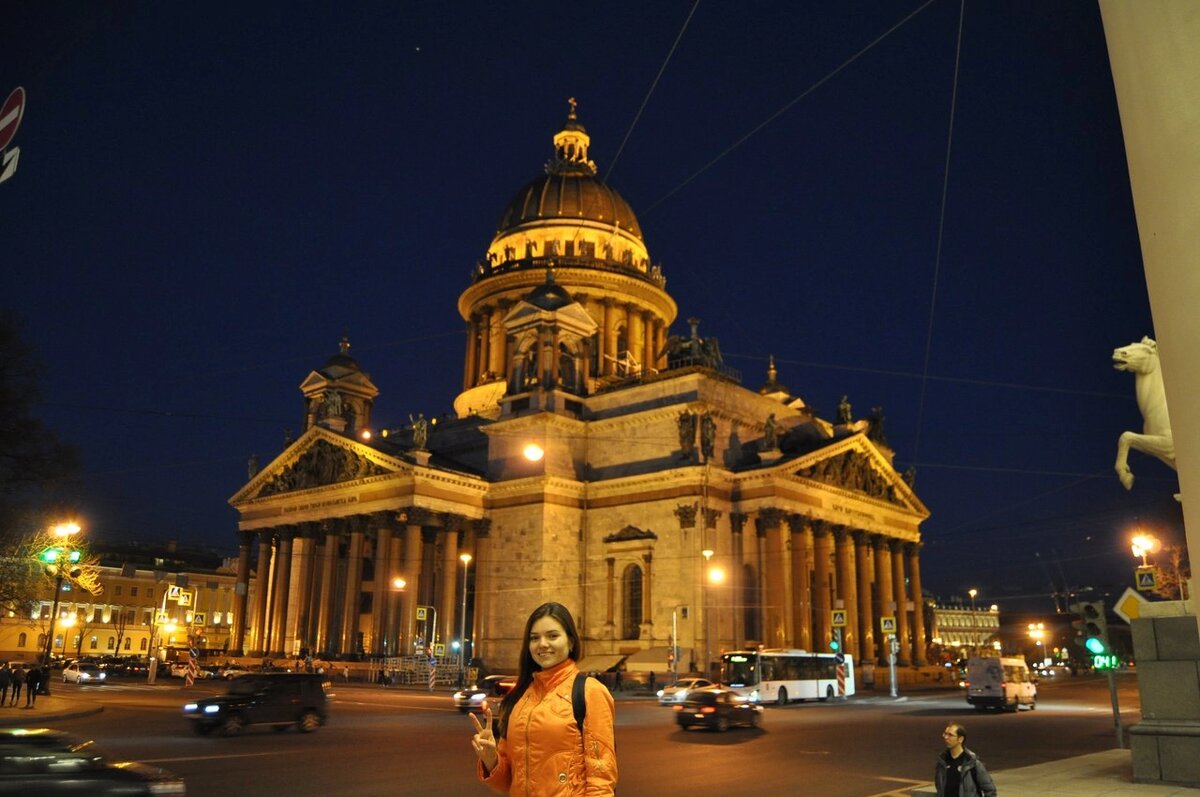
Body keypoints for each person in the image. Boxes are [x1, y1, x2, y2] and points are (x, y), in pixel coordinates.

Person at [470, 602, 617, 795]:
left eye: (553, 636)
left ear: (571, 641)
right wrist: (491, 760)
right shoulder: (520, 698)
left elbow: (601, 778)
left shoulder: (590, 691)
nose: (542, 644)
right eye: (534, 638)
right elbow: (508, 783)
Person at [935, 723, 997, 797]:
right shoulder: (942, 762)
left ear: (960, 739)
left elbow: (990, 790)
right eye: (945, 734)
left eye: (950, 735)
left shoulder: (972, 763)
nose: (946, 737)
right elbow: (939, 788)